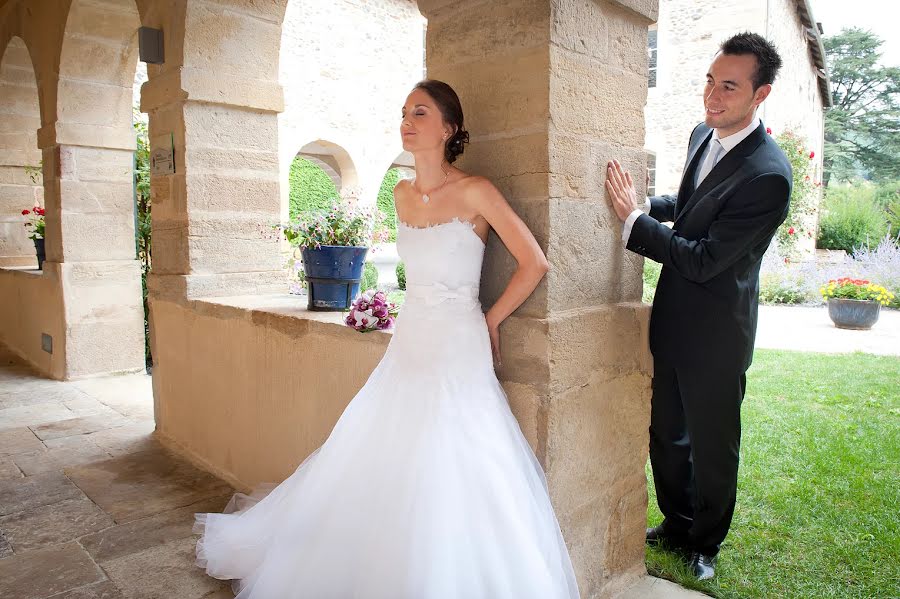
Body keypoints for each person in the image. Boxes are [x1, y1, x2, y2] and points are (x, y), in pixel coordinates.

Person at [194, 79, 580, 599]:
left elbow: (535, 263)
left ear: (449, 129)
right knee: (382, 446)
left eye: (420, 112)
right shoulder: (398, 194)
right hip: (411, 339)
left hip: (458, 343)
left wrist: (491, 320)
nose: (408, 120)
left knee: (456, 455)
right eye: (404, 112)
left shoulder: (475, 191)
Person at [605, 32, 792, 580]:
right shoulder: (699, 134)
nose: (712, 95)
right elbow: (692, 206)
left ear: (761, 95)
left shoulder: (769, 175)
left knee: (713, 447)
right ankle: (678, 521)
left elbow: (707, 258)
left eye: (729, 86)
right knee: (667, 434)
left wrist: (634, 225)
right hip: (674, 321)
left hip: (718, 334)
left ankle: (706, 543)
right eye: (710, 80)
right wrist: (648, 205)